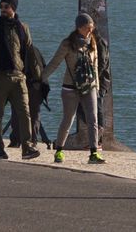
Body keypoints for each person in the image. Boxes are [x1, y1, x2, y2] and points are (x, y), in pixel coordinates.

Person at [0, 0, 39, 159]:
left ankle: (27, 147)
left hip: (19, 78)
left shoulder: (23, 28)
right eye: (1, 7)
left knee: (25, 113)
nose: (2, 9)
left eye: (6, 6)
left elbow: (29, 53)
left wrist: (36, 77)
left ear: (13, 8)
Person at [42, 12, 108, 164]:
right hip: (70, 88)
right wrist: (41, 78)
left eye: (92, 27)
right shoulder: (67, 43)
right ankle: (59, 150)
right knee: (68, 119)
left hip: (90, 86)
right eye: (87, 28)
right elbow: (55, 62)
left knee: (93, 119)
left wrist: (96, 86)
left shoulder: (92, 42)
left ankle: (94, 153)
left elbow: (95, 64)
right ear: (79, 27)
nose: (90, 31)